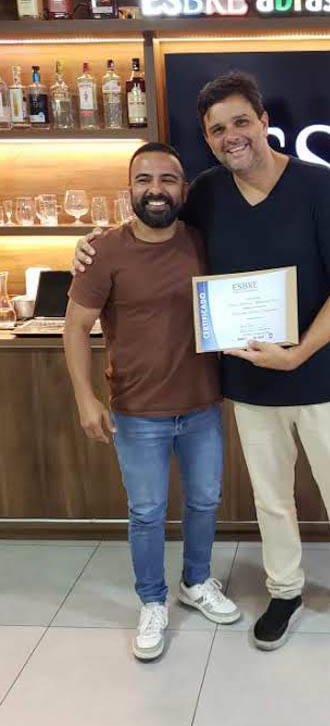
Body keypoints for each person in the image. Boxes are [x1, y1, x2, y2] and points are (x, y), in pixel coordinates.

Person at [74, 72, 330, 654]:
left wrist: (298, 354)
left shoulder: (322, 186)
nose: (231, 136)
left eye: (241, 122)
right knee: (271, 499)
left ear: (264, 122)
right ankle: (284, 591)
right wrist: (88, 245)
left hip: (322, 377)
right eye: (217, 129)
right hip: (250, 383)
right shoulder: (207, 193)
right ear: (207, 138)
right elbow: (151, 222)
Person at [64, 142, 240, 662]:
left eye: (167, 179)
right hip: (137, 411)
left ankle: (196, 581)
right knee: (146, 512)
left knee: (205, 500)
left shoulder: (204, 242)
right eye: (144, 180)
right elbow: (75, 328)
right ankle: (153, 601)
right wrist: (85, 399)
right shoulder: (104, 251)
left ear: (183, 189)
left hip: (202, 404)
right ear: (130, 189)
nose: (156, 189)